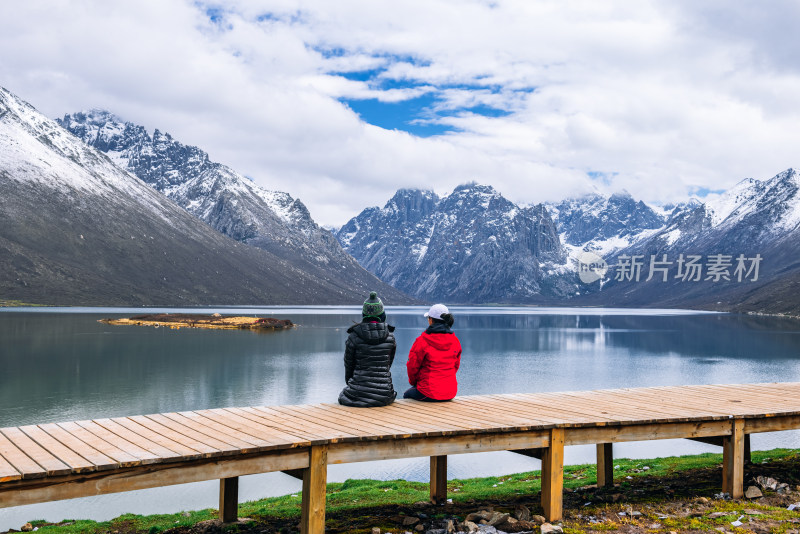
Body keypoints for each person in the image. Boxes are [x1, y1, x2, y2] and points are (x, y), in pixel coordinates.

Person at [338, 291, 397, 407]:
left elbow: (349, 367)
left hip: (358, 392)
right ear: (382, 314)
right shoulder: (390, 337)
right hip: (385, 394)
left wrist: (353, 385)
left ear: (364, 314)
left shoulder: (354, 337)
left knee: (342, 396)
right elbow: (388, 365)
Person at [404, 303, 462, 402]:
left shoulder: (422, 341)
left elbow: (412, 366)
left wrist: (414, 382)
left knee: (407, 395)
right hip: (450, 392)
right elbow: (455, 366)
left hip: (428, 392)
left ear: (431, 320)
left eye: (428, 318)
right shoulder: (455, 341)